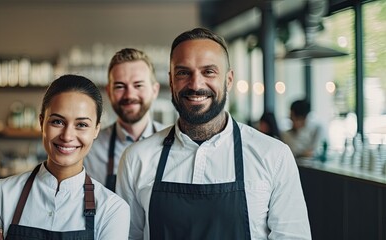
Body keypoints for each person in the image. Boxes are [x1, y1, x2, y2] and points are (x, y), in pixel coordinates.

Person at [116, 27, 311, 239]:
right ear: (171, 80)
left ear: (228, 80)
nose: (196, 84)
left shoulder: (274, 156)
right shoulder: (136, 158)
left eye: (208, 71)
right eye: (183, 72)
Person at [0, 75, 130, 240]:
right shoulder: (0, 195)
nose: (67, 136)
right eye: (58, 122)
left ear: (96, 130)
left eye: (82, 125)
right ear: (41, 122)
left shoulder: (113, 209)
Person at [84, 48, 165, 191]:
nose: (129, 95)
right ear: (109, 92)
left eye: (138, 85)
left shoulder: (173, 143)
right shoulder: (90, 149)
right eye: (120, 86)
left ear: (154, 90)